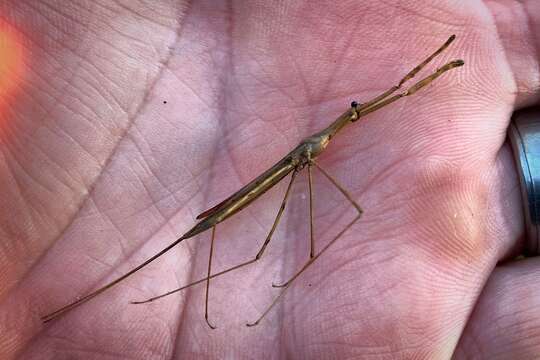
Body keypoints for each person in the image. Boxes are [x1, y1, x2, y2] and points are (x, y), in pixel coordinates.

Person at [0, 1, 539, 358]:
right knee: (256, 242)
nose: (356, 112)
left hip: (290, 168)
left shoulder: (339, 128)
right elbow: (393, 94)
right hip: (259, 185)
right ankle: (156, 293)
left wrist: (443, 66)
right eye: (353, 111)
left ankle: (66, 304)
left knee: (288, 231)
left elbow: (396, 92)